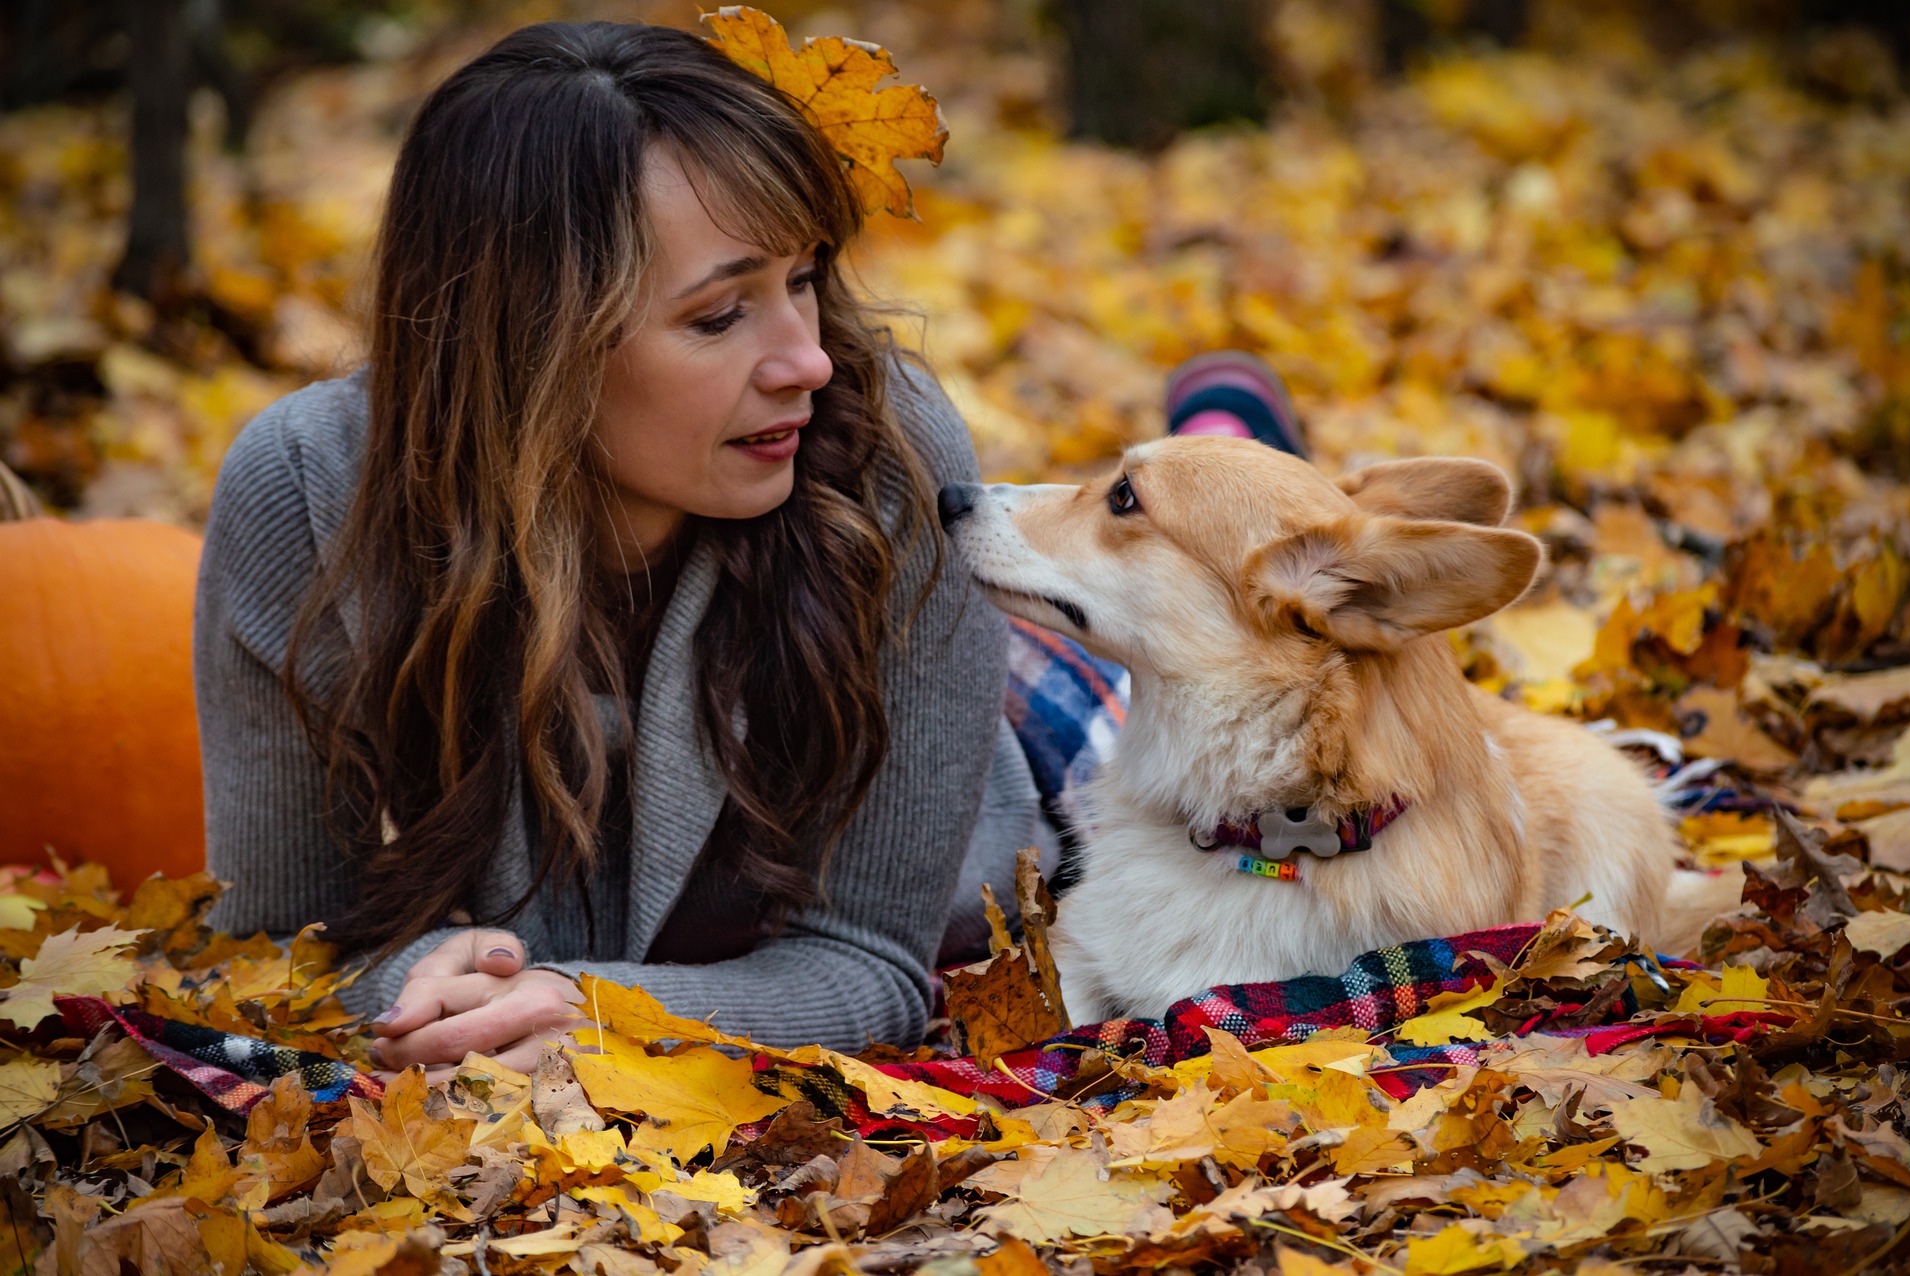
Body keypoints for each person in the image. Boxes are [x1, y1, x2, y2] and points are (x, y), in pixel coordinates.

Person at [195, 18, 1306, 1074]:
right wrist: (421, 981)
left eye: (804, 281)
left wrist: (603, 1015)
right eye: (719, 318)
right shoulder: (305, 494)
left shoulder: (886, 456)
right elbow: (283, 946)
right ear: (530, 344)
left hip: (1023, 741)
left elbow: (873, 963)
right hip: (945, 651)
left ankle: (1228, 443)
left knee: (1201, 611)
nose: (807, 362)